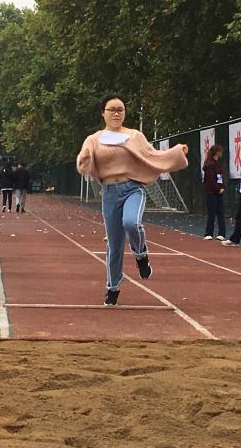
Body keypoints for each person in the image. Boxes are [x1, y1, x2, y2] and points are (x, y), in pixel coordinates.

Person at [76, 93, 188, 305]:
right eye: (112, 110)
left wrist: (176, 153)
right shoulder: (94, 139)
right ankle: (113, 287)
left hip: (132, 189)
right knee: (114, 245)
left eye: (120, 110)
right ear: (103, 113)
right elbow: (84, 164)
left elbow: (153, 156)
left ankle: (141, 255)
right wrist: (85, 158)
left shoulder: (135, 136)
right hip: (109, 193)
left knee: (131, 222)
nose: (116, 113)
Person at [202, 144, 227, 240]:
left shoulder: (217, 164)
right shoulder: (210, 164)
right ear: (217, 152)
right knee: (211, 213)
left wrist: (222, 187)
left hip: (218, 192)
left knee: (220, 212)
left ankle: (222, 233)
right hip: (211, 192)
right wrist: (217, 189)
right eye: (220, 151)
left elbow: (220, 177)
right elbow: (210, 180)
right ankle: (208, 233)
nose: (222, 153)